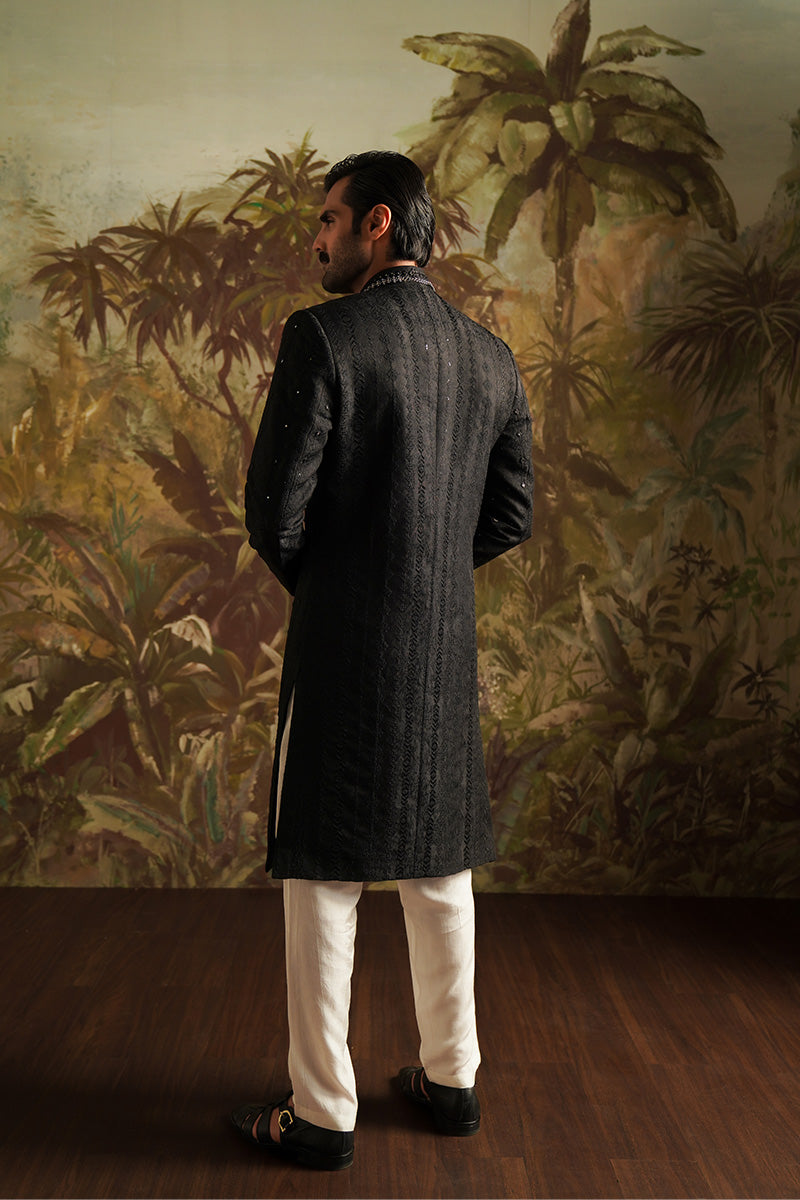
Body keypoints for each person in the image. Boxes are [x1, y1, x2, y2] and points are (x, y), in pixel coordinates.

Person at [234, 150, 533, 1171]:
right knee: (439, 868)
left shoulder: (322, 336)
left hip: (342, 648)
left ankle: (322, 1114)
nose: (315, 238)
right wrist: (426, 581)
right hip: (442, 651)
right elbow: (510, 515)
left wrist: (342, 589)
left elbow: (272, 511)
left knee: (323, 875)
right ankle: (452, 1082)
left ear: (378, 225)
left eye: (328, 218)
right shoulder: (492, 357)